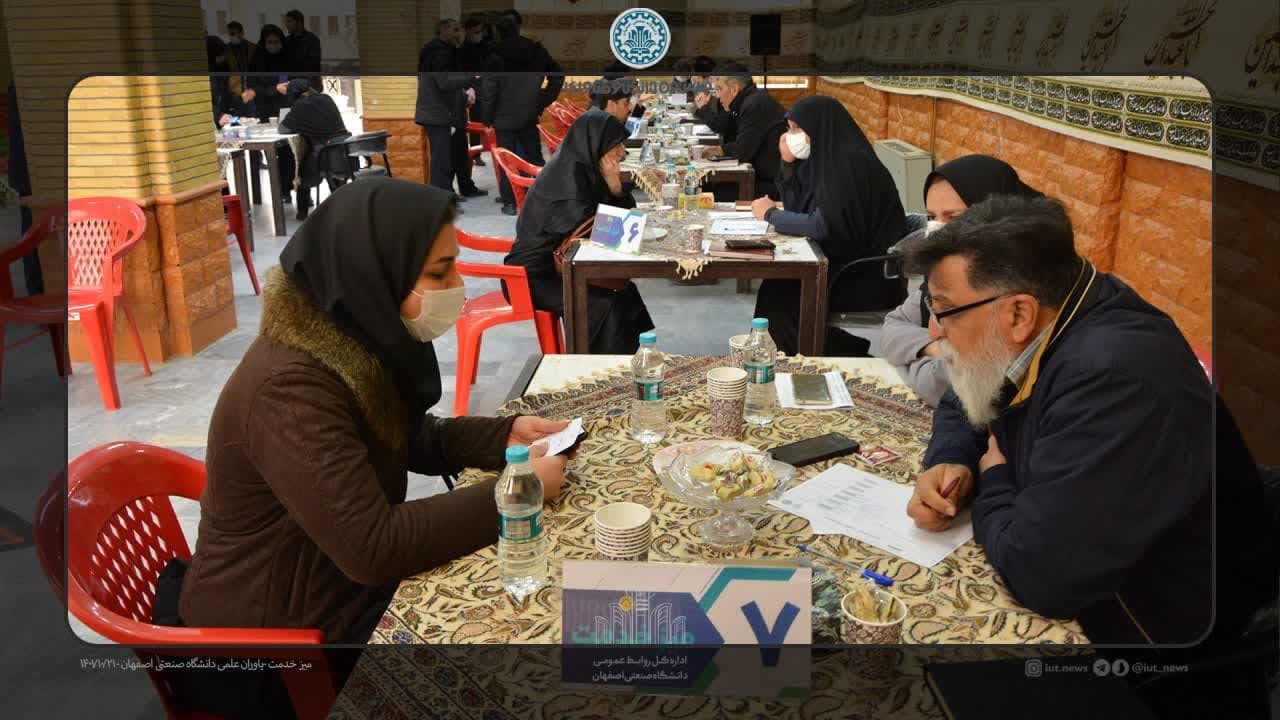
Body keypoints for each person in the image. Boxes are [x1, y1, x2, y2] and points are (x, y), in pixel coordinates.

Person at [901, 193, 1277, 646]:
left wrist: (994, 479)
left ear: (1018, 313)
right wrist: (954, 460)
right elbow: (963, 395)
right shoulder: (1059, 306)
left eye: (944, 311)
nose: (934, 331)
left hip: (1159, 626)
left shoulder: (1114, 378)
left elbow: (1042, 576)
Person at [749, 95, 906, 356]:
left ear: (819, 127)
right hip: (842, 262)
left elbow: (822, 226)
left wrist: (771, 214)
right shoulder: (824, 160)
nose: (790, 137)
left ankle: (825, 357)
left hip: (866, 276)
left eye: (797, 129)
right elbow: (799, 210)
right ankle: (806, 355)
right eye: (789, 129)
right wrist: (788, 165)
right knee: (776, 289)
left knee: (781, 297)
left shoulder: (851, 164)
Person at [881, 155, 1043, 407]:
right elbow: (891, 327)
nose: (937, 229)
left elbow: (942, 387)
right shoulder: (945, 271)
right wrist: (936, 349)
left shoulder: (1017, 282)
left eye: (953, 218)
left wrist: (909, 363)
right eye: (931, 217)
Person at [504, 112, 654, 354]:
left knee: (625, 291)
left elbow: (616, 224)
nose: (622, 152)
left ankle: (633, 359)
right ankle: (594, 367)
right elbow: (606, 235)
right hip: (532, 278)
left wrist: (615, 188)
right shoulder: (566, 182)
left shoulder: (584, 168)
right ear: (596, 145)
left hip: (563, 268)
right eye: (616, 145)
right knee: (606, 304)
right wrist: (616, 193)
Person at [479, 16, 563, 216]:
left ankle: (510, 202)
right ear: (518, 29)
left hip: (503, 116)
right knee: (534, 158)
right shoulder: (537, 50)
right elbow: (557, 75)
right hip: (529, 113)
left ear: (498, 33)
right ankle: (542, 198)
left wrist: (487, 118)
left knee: (507, 161)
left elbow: (489, 91)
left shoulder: (494, 56)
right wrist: (542, 100)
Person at [417, 19, 485, 203]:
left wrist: (464, 95)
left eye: (460, 30)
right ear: (443, 32)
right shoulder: (437, 54)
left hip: (451, 112)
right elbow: (445, 83)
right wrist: (472, 78)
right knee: (442, 161)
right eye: (455, 30)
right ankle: (442, 200)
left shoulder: (449, 52)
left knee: (459, 153)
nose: (459, 34)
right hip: (437, 115)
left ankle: (466, 188)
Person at [711, 62, 784, 199]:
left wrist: (719, 150)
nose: (717, 96)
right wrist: (718, 150)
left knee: (715, 191)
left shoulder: (754, 105)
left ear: (734, 89)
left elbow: (742, 152)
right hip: (764, 176)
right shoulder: (751, 100)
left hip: (775, 184)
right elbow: (744, 144)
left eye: (719, 89)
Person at [246, 24, 302, 206]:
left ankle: (294, 188)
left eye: (277, 42)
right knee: (274, 153)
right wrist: (273, 89)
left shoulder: (288, 58)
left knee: (291, 151)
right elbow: (253, 87)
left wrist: (290, 87)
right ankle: (281, 190)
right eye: (269, 42)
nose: (273, 45)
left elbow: (298, 79)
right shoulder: (257, 61)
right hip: (266, 111)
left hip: (287, 109)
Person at [279, 80, 350, 220]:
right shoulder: (326, 98)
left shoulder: (301, 105)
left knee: (301, 170)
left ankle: (302, 213)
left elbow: (283, 129)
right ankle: (340, 206)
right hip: (343, 151)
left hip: (323, 154)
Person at [206, 35, 243, 130]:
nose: (222, 58)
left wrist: (233, 112)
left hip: (223, 119)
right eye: (219, 56)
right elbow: (202, 101)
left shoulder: (222, 67)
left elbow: (225, 93)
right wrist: (218, 116)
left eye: (223, 55)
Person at [284, 8, 322, 92]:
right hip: (291, 83)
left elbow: (313, 65)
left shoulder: (312, 40)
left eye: (289, 21)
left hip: (308, 83)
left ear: (299, 23)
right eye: (286, 22)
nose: (287, 25)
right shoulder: (286, 41)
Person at [224, 21, 256, 99]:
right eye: (229, 34)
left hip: (251, 82)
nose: (231, 36)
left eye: (233, 33)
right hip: (235, 84)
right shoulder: (225, 49)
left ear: (241, 33)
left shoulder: (253, 48)